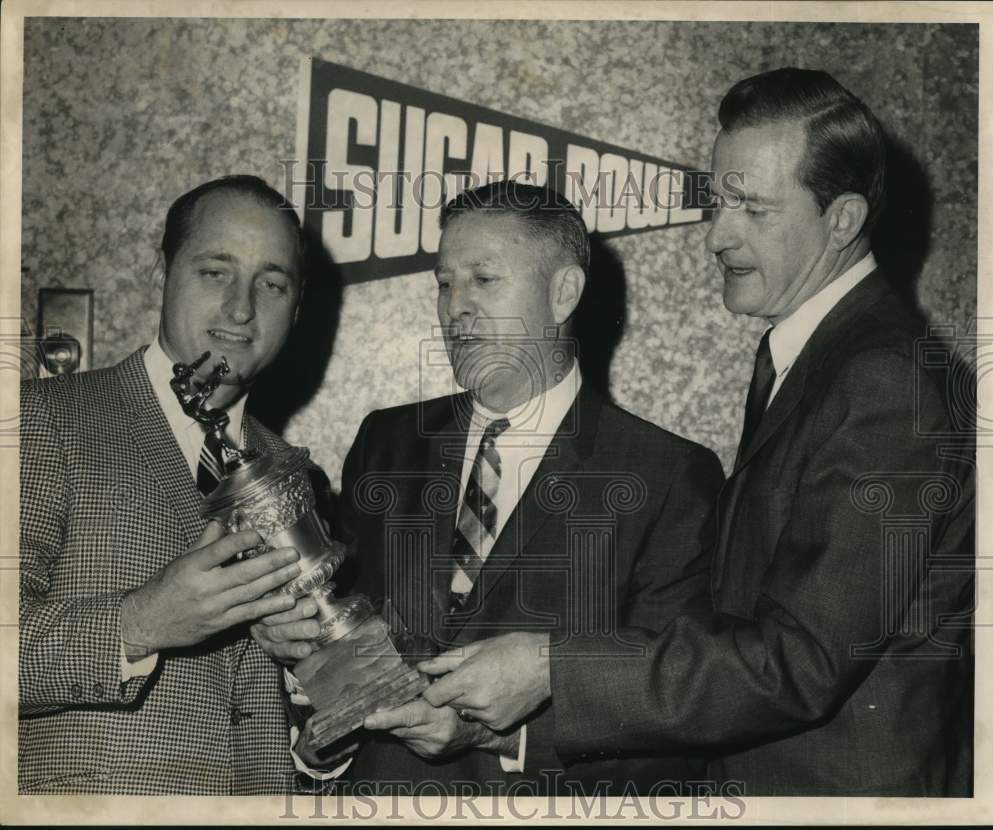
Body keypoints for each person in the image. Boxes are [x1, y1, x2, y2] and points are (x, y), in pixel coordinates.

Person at [418, 69, 975, 796]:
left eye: (752, 208)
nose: (717, 234)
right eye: (719, 201)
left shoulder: (881, 379)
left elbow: (799, 662)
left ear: (841, 220)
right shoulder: (822, 356)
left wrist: (554, 668)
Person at [253, 180, 724, 795]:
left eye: (483, 279)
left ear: (564, 293)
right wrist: (305, 670)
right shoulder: (387, 444)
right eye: (445, 284)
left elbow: (677, 714)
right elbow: (343, 657)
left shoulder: (666, 476)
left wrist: (503, 738)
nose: (456, 308)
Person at [19, 175, 314, 794]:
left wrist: (306, 676)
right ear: (163, 273)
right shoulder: (41, 418)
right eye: (215, 272)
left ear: (297, 305)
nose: (241, 307)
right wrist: (141, 623)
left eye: (272, 282)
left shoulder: (294, 472)